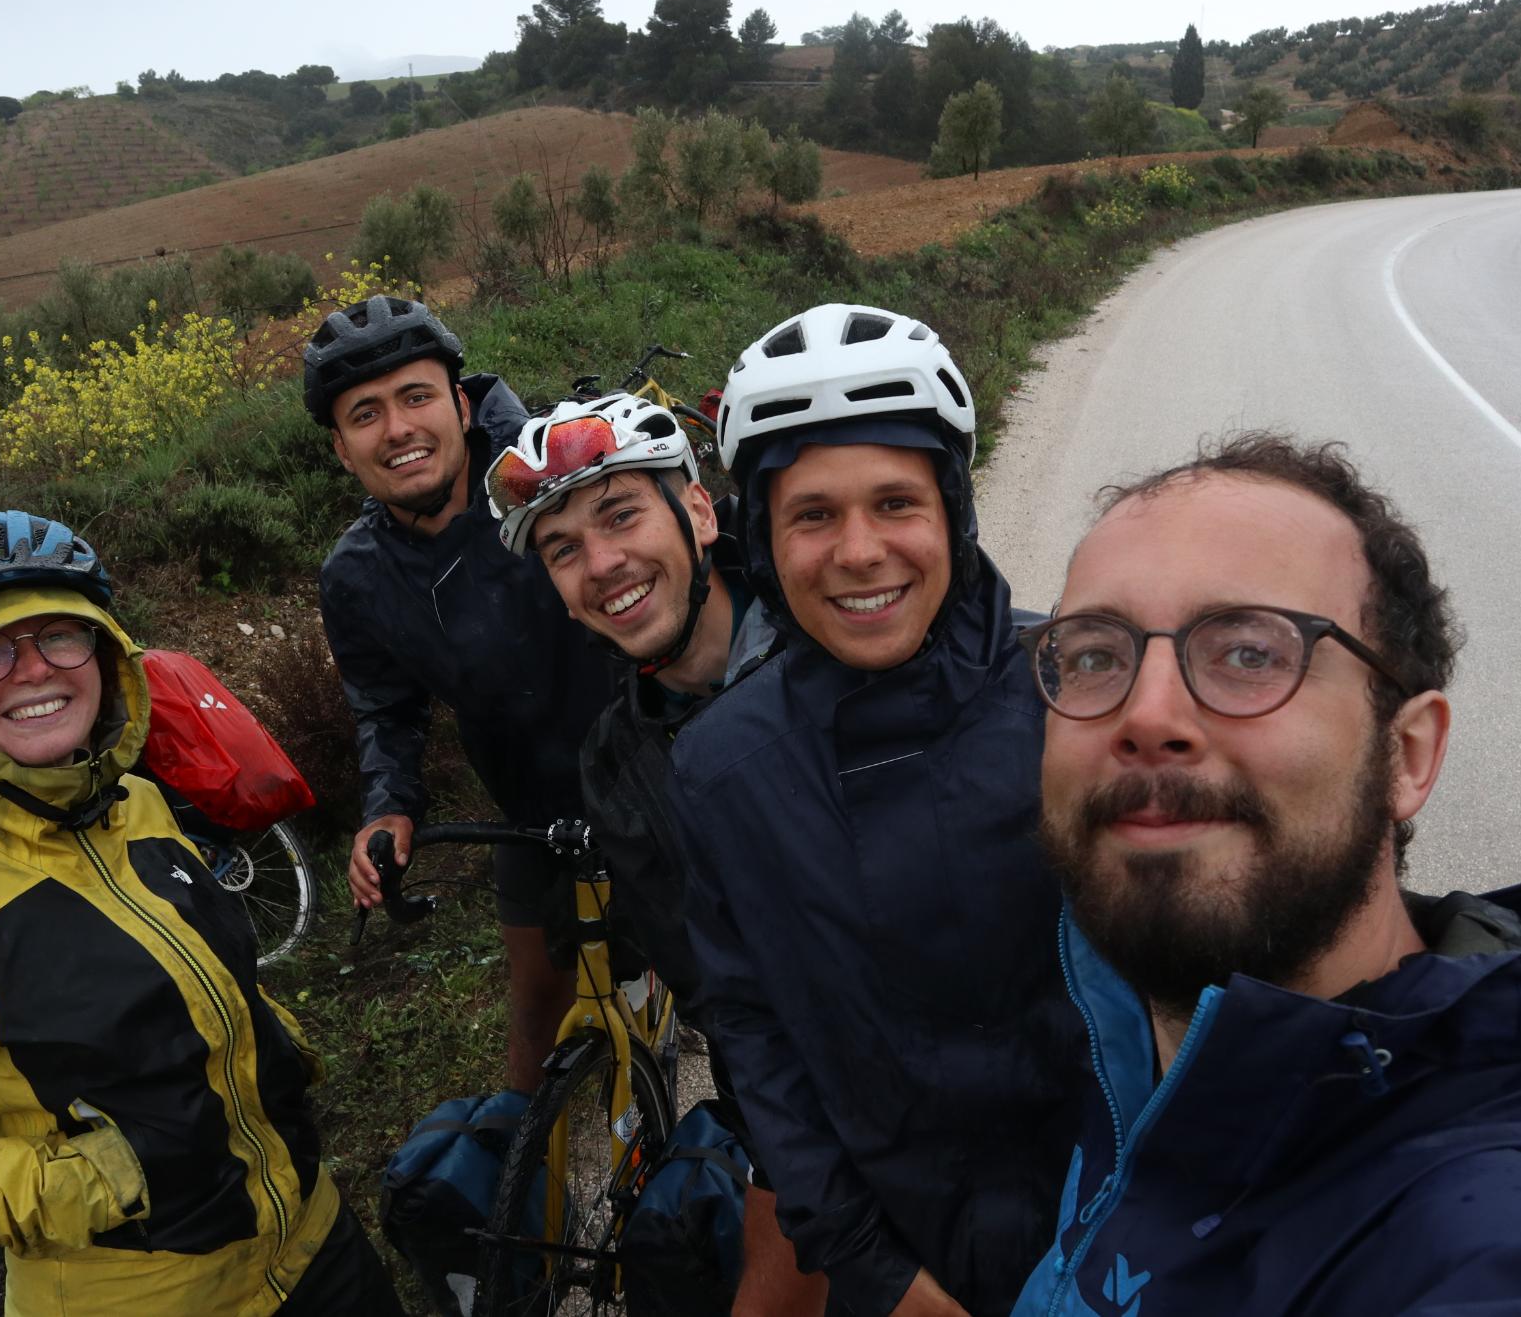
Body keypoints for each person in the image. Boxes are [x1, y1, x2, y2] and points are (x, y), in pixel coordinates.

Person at [1012, 432, 1521, 1316]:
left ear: (1407, 754)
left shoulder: (1517, 1226)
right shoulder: (1125, 1020)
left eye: (1250, 652)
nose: (1146, 714)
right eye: (1097, 654)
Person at [0, 511, 400, 1316]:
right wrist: (92, 1179)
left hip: (316, 1246)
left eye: (62, 637)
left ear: (109, 657)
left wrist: (266, 1041)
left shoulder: (142, 806)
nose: (34, 670)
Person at [670, 305, 1084, 1317]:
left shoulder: (1079, 689)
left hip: (1123, 1233)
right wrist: (876, 1273)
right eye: (812, 514)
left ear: (952, 511)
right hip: (902, 1270)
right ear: (764, 539)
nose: (858, 552)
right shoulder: (720, 767)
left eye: (895, 502)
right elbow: (753, 1036)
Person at [484, 393, 821, 1313]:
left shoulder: (840, 635)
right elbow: (722, 999)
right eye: (562, 549)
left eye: (621, 513)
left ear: (701, 512)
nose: (602, 565)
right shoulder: (620, 766)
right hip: (814, 1125)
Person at [307, 296, 616, 1091]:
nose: (398, 428)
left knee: (735, 992)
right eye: (365, 414)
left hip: (658, 767)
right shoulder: (357, 576)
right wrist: (389, 804)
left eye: (416, 397)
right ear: (342, 450)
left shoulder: (555, 477)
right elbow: (386, 704)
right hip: (532, 813)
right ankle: (530, 1202)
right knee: (537, 1006)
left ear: (461, 403)